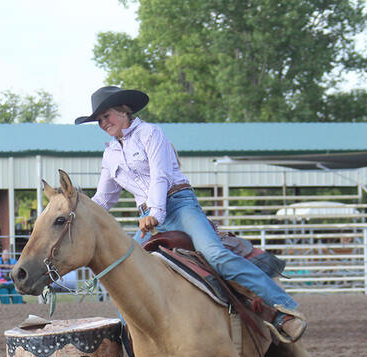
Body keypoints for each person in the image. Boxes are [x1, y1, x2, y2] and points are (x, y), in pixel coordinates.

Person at [75, 86, 306, 342]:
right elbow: (104, 198)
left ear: (124, 111)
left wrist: (156, 213)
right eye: (98, 120)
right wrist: (78, 211)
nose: (103, 123)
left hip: (178, 204)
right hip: (149, 218)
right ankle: (131, 343)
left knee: (215, 255)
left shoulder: (150, 133)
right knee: (125, 275)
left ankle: (285, 309)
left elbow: (160, 175)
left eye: (106, 116)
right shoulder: (110, 154)